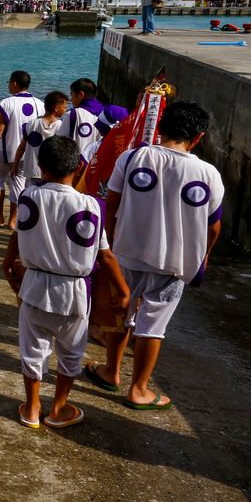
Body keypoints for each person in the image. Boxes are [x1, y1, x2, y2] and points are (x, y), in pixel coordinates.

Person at [86, 102, 224, 411]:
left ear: (160, 126)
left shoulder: (133, 157)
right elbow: (214, 227)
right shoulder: (208, 173)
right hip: (175, 260)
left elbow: (112, 207)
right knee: (153, 325)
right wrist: (203, 256)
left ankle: (111, 370)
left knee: (121, 312)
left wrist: (106, 245)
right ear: (198, 137)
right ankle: (139, 388)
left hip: (128, 251)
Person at [2, 136, 129, 429]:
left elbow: (20, 232)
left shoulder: (30, 196)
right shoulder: (92, 205)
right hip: (74, 290)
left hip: (34, 284)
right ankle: (58, 408)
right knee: (71, 352)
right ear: (77, 167)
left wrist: (8, 262)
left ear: (41, 166)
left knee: (33, 350)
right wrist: (123, 290)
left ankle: (32, 408)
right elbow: (106, 256)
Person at [0, 70, 37, 229]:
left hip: (7, 150)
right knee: (18, 184)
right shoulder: (39, 104)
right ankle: (13, 220)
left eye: (9, 82)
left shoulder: (7, 103)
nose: (8, 85)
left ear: (14, 84)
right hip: (28, 152)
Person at [13, 91, 69, 187]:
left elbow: (21, 148)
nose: (66, 110)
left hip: (32, 170)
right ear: (56, 109)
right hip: (52, 172)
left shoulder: (31, 124)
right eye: (65, 107)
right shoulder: (62, 126)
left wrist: (15, 166)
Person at [61, 78, 102, 162]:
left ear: (80, 95)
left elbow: (60, 144)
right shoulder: (107, 116)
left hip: (75, 166)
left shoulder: (72, 115)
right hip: (96, 167)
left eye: (72, 95)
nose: (71, 99)